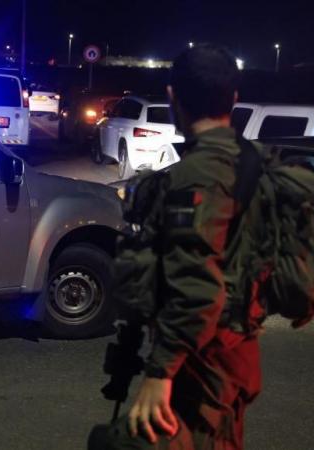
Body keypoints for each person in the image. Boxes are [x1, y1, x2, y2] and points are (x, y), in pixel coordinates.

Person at [104, 44, 262, 449]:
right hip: (232, 356)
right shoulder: (250, 163)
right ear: (235, 100)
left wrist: (160, 373)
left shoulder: (196, 178)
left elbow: (198, 284)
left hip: (201, 364)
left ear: (173, 98)